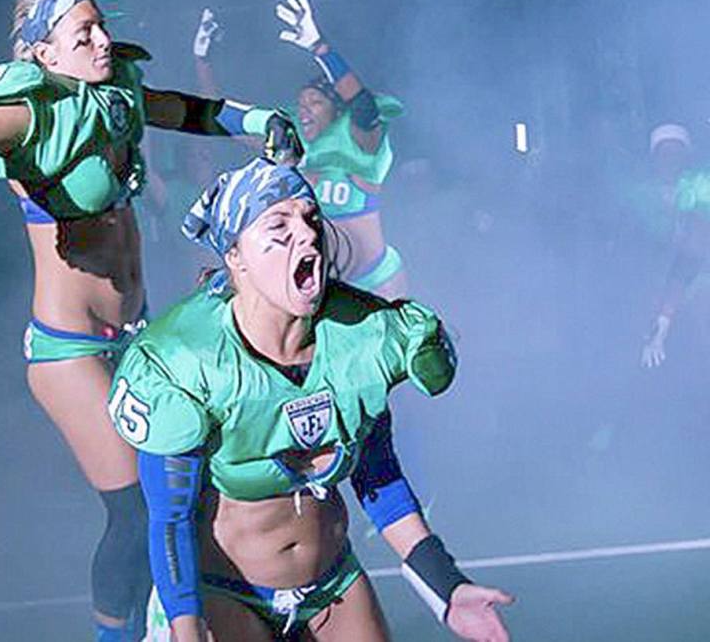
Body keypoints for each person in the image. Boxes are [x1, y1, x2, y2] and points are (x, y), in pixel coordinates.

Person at [0, 0, 301, 641]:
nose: (102, 40)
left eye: (101, 25)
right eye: (83, 34)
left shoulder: (117, 88)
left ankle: (190, 622)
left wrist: (257, 121)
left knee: (191, 494)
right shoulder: (29, 110)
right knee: (138, 509)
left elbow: (187, 110)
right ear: (43, 53)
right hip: (71, 349)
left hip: (137, 336)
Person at [109, 157, 513, 641]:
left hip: (334, 585)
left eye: (310, 218)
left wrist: (447, 586)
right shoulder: (184, 359)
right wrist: (186, 627)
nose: (306, 234)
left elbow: (378, 476)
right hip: (226, 592)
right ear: (236, 255)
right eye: (278, 225)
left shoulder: (362, 337)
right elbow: (169, 518)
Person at [192, 0, 408, 299]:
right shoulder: (293, 146)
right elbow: (227, 121)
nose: (304, 109)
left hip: (373, 281)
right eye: (301, 103)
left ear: (336, 109)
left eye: (315, 102)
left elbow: (363, 106)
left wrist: (319, 47)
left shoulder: (361, 145)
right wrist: (201, 61)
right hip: (323, 286)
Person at [640, 123, 710, 367]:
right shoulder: (641, 194)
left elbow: (695, 245)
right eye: (664, 153)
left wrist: (664, 320)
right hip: (660, 280)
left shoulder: (701, 185)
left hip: (698, 279)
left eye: (677, 153)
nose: (671, 160)